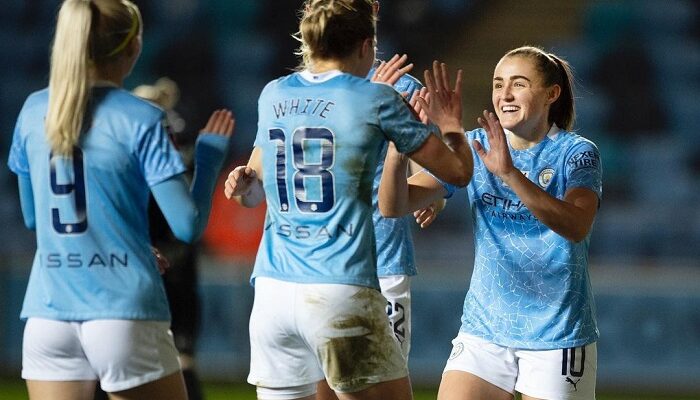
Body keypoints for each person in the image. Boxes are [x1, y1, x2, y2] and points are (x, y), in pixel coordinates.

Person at [223, 1, 473, 399]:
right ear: (366, 43)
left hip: (272, 287)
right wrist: (452, 127)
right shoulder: (379, 97)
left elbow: (256, 191)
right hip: (343, 282)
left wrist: (244, 186)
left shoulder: (275, 95)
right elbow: (458, 172)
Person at [7, 1, 233, 399]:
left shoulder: (33, 110)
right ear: (134, 46)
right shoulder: (141, 117)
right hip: (123, 311)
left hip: (48, 313)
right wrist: (210, 158)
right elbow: (187, 225)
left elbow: (33, 218)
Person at [379, 45, 602, 400]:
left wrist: (510, 174)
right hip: (485, 330)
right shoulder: (474, 145)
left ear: (551, 94)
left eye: (519, 84)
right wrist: (399, 145)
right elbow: (395, 205)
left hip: (555, 333)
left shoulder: (576, 153)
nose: (505, 94)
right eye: (499, 85)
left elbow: (576, 225)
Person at [315, 54, 447, 400]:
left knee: (381, 388)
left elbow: (435, 163)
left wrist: (433, 196)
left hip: (381, 263)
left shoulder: (401, 84)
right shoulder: (300, 87)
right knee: (320, 391)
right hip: (313, 265)